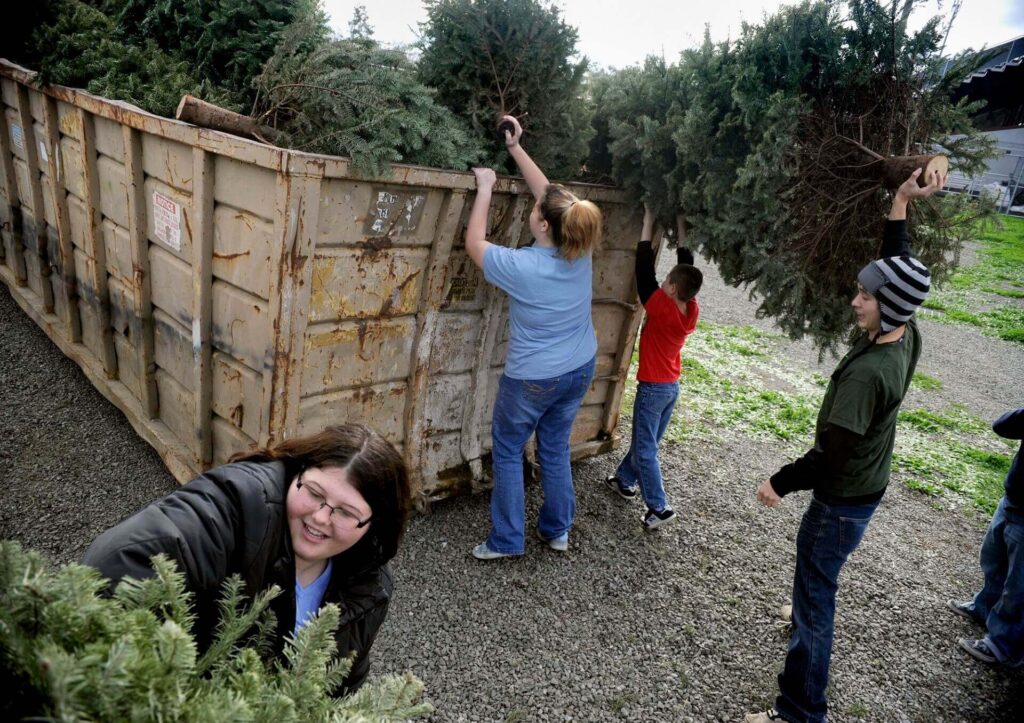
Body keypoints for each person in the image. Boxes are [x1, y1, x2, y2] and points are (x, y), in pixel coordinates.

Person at [746, 167, 941, 723]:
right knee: (817, 585)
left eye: (864, 296)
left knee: (815, 601)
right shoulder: (907, 333)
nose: (855, 301)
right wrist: (901, 199)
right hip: (865, 493)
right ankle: (807, 613)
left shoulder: (868, 374)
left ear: (889, 308)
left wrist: (778, 482)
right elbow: (896, 266)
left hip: (839, 500)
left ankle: (799, 711)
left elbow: (831, 454)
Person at [82, 423, 410, 692]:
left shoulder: (370, 588)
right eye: (313, 493)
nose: (321, 518)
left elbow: (343, 683)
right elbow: (118, 559)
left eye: (345, 512)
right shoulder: (242, 505)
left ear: (372, 525)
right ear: (297, 473)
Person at [464, 114, 602, 559]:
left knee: (507, 448)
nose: (535, 206)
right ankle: (557, 529)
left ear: (542, 225)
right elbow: (550, 195)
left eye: (537, 210)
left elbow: (474, 245)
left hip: (533, 379)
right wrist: (515, 149)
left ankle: (506, 540)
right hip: (579, 367)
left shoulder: (523, 267)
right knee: (555, 446)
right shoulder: (578, 250)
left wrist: (485, 187)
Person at [605, 207, 702, 530]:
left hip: (653, 388)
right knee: (647, 442)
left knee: (646, 448)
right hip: (671, 387)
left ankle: (659, 507)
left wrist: (647, 220)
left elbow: (643, 269)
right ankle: (624, 479)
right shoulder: (690, 310)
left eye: (667, 282)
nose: (662, 283)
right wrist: (680, 225)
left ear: (671, 288)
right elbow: (687, 266)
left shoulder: (661, 308)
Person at [948, 407, 1024, 668]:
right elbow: (1002, 426)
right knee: (993, 559)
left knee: (1018, 587)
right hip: (1013, 499)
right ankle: (984, 607)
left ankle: (1005, 646)